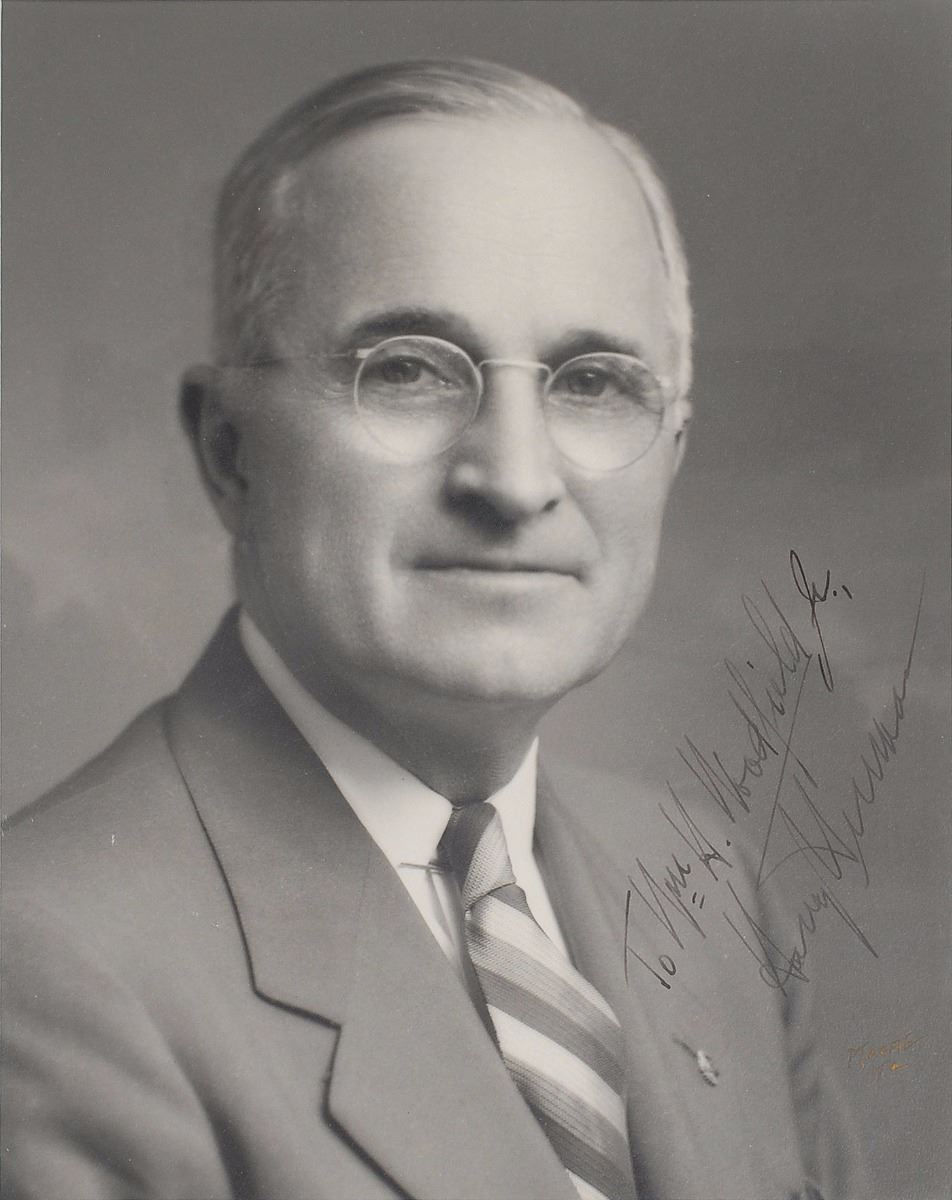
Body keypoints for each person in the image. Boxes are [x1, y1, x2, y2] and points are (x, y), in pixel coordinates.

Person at [2, 59, 868, 1200]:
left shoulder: (703, 888)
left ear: (672, 453)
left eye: (593, 383)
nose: (514, 480)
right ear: (230, 450)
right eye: (406, 369)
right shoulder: (47, 967)